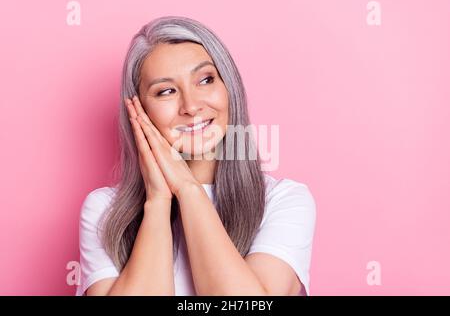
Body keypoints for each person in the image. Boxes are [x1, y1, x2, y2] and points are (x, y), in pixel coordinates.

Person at [75, 16, 316, 296]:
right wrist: (158, 200)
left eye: (205, 79)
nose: (191, 106)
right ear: (138, 111)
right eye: (166, 91)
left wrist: (188, 188)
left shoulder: (284, 201)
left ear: (229, 88)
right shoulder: (105, 211)